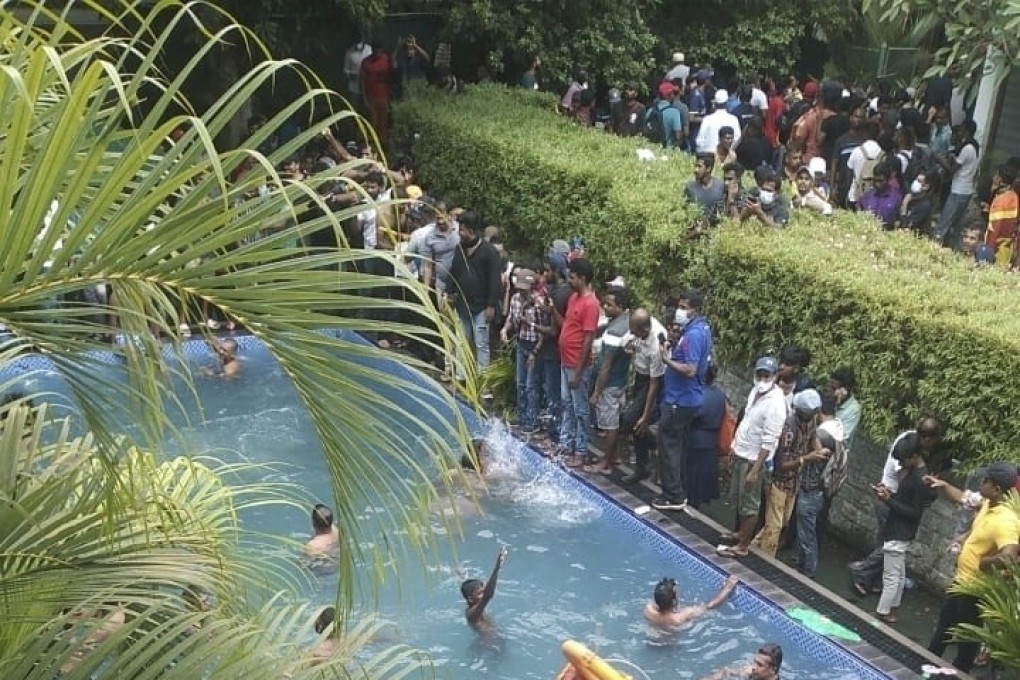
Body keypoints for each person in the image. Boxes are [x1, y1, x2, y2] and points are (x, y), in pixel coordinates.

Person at [926, 462, 1019, 672]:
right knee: (943, 630)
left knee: (967, 643)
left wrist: (984, 562)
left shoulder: (1006, 521)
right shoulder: (988, 504)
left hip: (974, 591)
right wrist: (963, 539)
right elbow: (966, 504)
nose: (982, 483)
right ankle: (926, 665)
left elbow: (1009, 557)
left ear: (997, 489)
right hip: (961, 583)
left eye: (986, 481)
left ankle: (959, 673)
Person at [717, 357, 787, 558]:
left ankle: (743, 545)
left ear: (775, 376)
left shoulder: (776, 403)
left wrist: (755, 470)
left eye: (767, 375)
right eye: (760, 374)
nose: (763, 378)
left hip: (753, 460)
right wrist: (734, 447)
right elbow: (746, 421)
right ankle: (740, 534)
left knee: (750, 503)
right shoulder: (755, 392)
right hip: (742, 452)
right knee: (740, 498)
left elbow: (769, 439)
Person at [652, 290, 713, 511]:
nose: (680, 311)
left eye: (684, 307)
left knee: (668, 446)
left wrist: (666, 360)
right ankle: (677, 491)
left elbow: (690, 369)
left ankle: (673, 495)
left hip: (680, 399)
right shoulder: (699, 329)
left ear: (695, 309)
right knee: (675, 445)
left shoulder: (695, 334)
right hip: (686, 398)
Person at [872, 441, 935, 624]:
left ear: (914, 456)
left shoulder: (919, 479)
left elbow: (914, 512)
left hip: (899, 531)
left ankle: (881, 612)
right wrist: (888, 494)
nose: (900, 465)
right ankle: (890, 611)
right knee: (898, 575)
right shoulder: (916, 473)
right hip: (901, 531)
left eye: (903, 461)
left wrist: (889, 500)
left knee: (891, 577)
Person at [551, 259, 600, 468]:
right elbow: (567, 326)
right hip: (565, 361)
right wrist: (552, 311)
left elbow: (588, 339)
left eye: (572, 276)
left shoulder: (591, 305)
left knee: (580, 409)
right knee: (567, 404)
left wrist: (578, 371)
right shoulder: (573, 298)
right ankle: (565, 444)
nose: (569, 280)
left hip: (576, 365)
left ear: (582, 278)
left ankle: (580, 450)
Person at [618, 308, 666, 483]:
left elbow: (655, 383)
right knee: (636, 426)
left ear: (645, 330)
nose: (631, 332)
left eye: (635, 331)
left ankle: (658, 447)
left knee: (631, 420)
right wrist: (629, 346)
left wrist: (645, 416)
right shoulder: (641, 324)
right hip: (640, 376)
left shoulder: (656, 346)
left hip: (652, 382)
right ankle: (642, 467)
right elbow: (627, 340)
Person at [686, 360, 726, 508]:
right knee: (704, 479)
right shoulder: (719, 394)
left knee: (693, 480)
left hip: (696, 441)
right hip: (711, 442)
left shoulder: (699, 395)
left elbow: (693, 415)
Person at [644, 575, 739, 628]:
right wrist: (727, 588)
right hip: (671, 648)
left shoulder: (649, 610)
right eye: (677, 594)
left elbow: (660, 601)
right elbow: (710, 606)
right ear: (673, 601)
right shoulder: (681, 617)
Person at [462, 546, 509, 629]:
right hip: (487, 642)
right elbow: (488, 595)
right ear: (470, 599)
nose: (484, 593)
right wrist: (497, 568)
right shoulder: (472, 614)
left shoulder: (473, 604)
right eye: (481, 593)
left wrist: (463, 577)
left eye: (484, 590)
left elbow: (483, 591)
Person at [701, 643, 784, 680]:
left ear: (773, 669)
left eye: (760, 665)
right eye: (754, 661)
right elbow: (726, 671)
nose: (753, 667)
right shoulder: (753, 672)